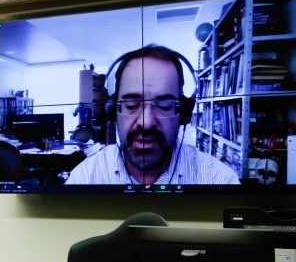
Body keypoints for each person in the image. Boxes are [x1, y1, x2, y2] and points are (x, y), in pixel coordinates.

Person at [66, 44, 240, 185]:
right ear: (113, 111)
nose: (146, 122)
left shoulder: (220, 180)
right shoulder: (85, 177)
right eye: (132, 104)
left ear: (183, 114)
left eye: (164, 105)